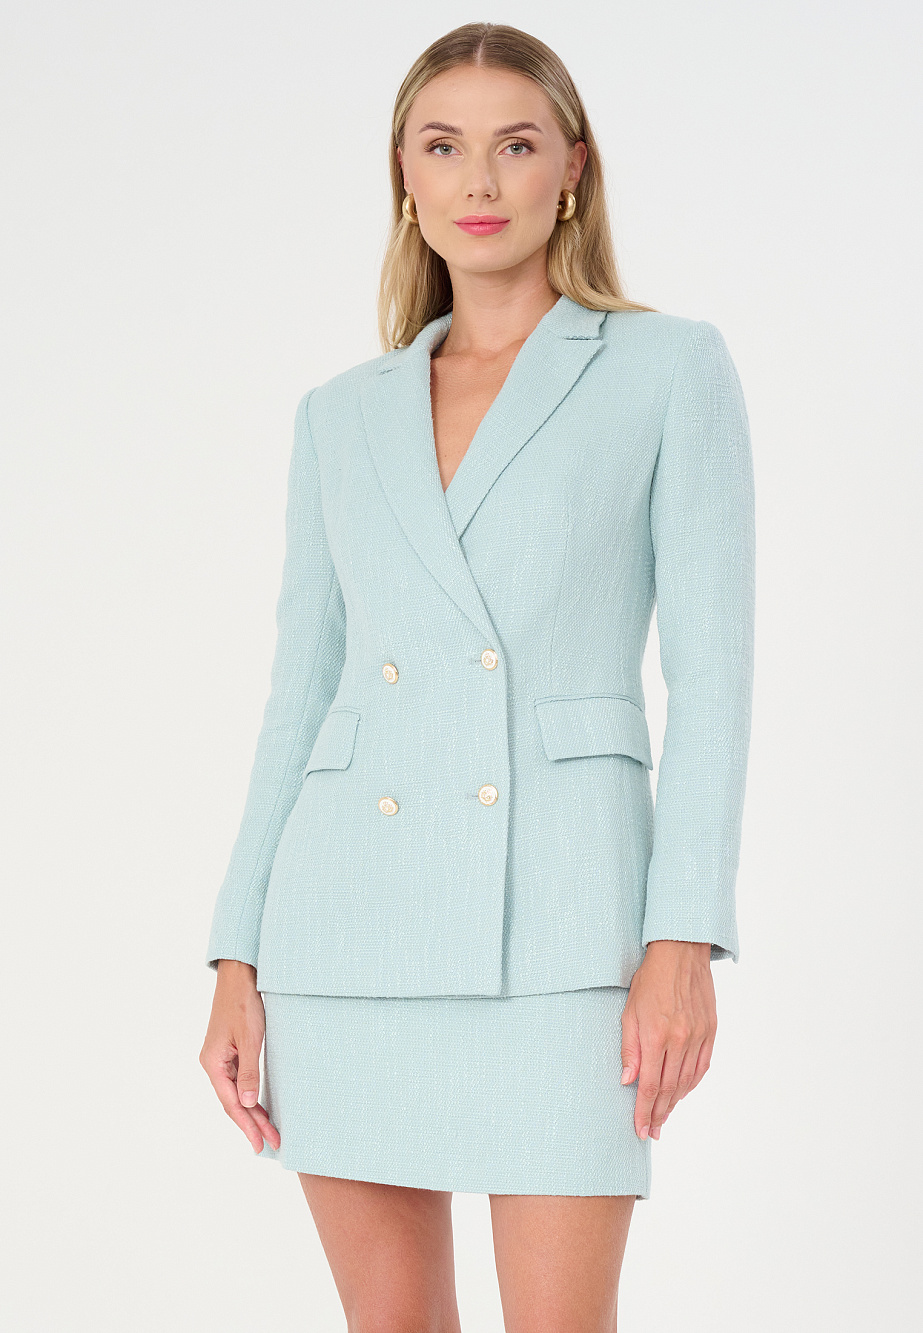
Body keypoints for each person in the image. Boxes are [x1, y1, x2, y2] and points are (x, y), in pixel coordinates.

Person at [199, 21, 755, 1332]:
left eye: (516, 144)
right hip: (345, 933)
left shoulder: (668, 370)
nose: (481, 181)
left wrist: (682, 937)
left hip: (564, 925)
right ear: (405, 174)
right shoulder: (339, 414)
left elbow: (715, 680)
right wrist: (235, 949)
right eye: (444, 147)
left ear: (573, 167)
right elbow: (303, 692)